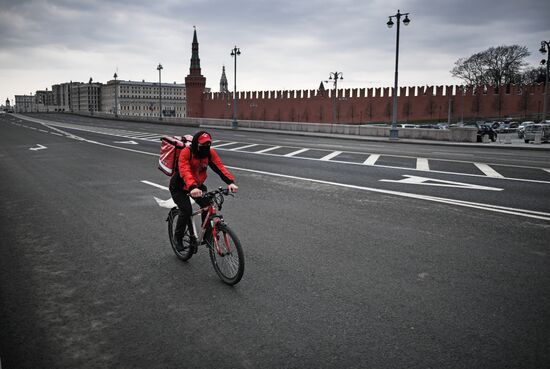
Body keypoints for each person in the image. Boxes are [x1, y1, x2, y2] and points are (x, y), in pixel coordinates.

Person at [169, 131, 238, 251]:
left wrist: (230, 182)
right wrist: (192, 187)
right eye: (202, 145)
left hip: (197, 186)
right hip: (179, 187)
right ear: (196, 144)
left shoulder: (209, 153)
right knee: (186, 211)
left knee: (207, 205)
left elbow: (219, 167)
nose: (205, 148)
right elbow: (185, 171)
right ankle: (177, 238)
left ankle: (207, 235)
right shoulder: (187, 152)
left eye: (208, 145)